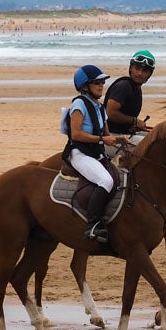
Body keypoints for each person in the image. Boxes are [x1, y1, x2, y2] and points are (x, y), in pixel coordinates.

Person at [65, 65, 128, 242]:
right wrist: (102, 140)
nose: (102, 85)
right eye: (97, 82)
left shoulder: (100, 107)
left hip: (96, 153)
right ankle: (92, 225)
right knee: (106, 180)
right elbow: (76, 133)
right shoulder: (79, 104)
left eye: (103, 82)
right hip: (80, 153)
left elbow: (106, 135)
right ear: (85, 86)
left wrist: (119, 139)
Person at [104, 50, 155, 137]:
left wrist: (133, 126)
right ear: (131, 68)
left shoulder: (136, 88)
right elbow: (110, 113)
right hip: (111, 135)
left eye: (145, 71)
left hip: (125, 133)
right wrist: (135, 121)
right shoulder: (123, 86)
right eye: (137, 68)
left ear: (150, 74)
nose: (140, 73)